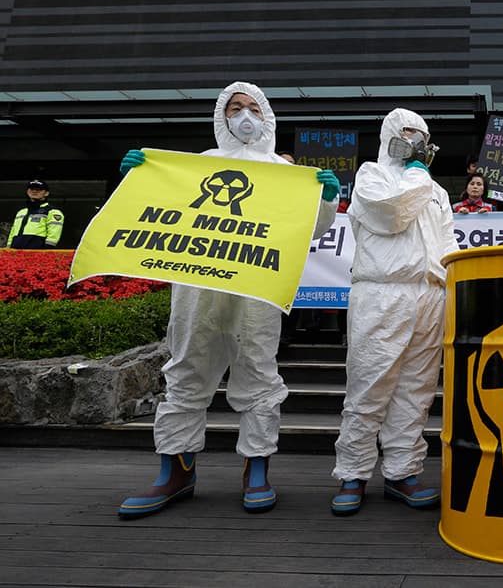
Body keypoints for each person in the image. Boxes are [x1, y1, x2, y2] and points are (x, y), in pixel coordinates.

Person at [117, 81, 340, 519]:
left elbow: (310, 230)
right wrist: (139, 179)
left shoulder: (281, 168)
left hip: (256, 290)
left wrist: (326, 199)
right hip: (197, 287)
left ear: (267, 117)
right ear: (221, 116)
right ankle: (175, 472)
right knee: (185, 370)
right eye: (235, 107)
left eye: (253, 108)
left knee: (258, 372)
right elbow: (162, 209)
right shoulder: (202, 165)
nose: (244, 115)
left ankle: (256, 471)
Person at [330, 108, 459, 517]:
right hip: (382, 293)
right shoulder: (372, 175)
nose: (416, 141)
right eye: (407, 133)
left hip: (429, 295)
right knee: (370, 386)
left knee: (416, 390)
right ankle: (353, 473)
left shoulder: (436, 191)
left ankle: (403, 472)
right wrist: (419, 174)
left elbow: (447, 241)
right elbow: (391, 215)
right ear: (389, 134)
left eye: (422, 134)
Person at [6, 180, 64, 249]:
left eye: (38, 189)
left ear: (46, 193)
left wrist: (46, 251)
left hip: (38, 254)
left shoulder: (53, 212)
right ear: (27, 191)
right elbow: (13, 232)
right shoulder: (21, 212)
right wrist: (8, 248)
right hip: (16, 253)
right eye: (32, 189)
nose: (34, 191)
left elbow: (53, 236)